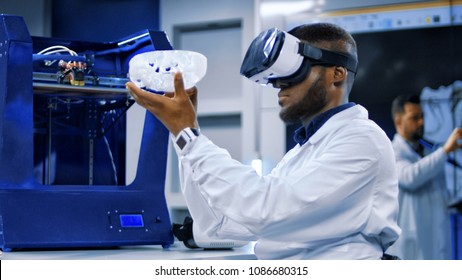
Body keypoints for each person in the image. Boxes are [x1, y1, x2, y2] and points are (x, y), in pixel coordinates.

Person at [126, 23, 401, 260]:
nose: (280, 84)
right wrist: (185, 135)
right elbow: (218, 224)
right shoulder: (301, 153)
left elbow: (268, 211)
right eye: (276, 77)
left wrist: (189, 135)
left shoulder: (362, 139)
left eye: (294, 71)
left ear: (336, 74)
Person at [387, 94, 462, 259]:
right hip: (411, 245)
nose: (421, 122)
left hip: (437, 241)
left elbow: (438, 193)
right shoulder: (392, 152)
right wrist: (445, 151)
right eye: (414, 118)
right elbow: (410, 177)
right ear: (398, 121)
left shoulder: (428, 153)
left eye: (422, 116)